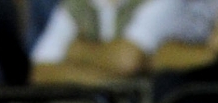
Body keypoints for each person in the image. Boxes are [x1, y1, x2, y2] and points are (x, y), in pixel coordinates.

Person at [29, 0, 179, 84]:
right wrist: (110, 82)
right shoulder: (76, 5)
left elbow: (127, 60)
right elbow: (40, 71)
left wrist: (77, 52)